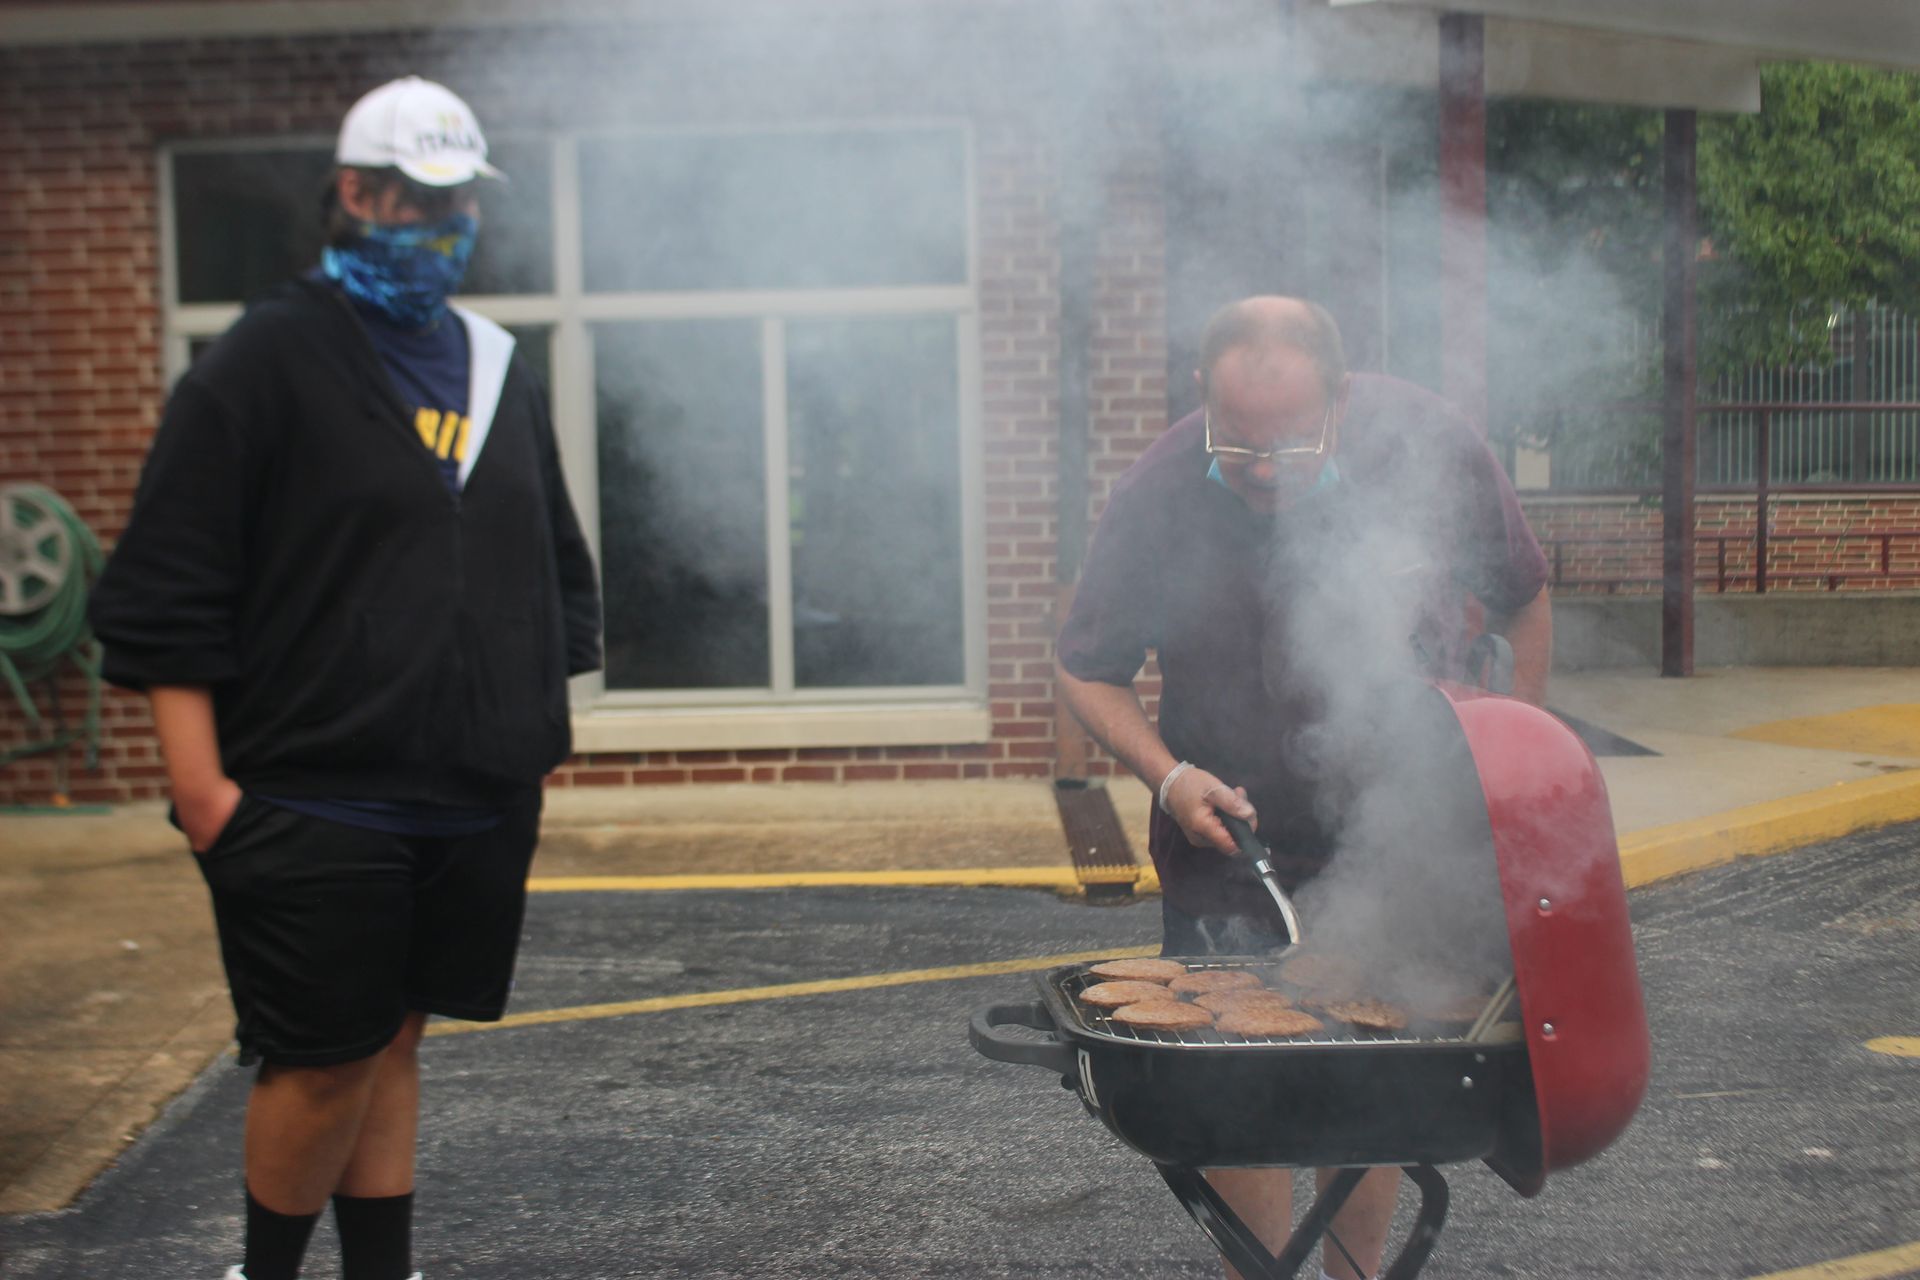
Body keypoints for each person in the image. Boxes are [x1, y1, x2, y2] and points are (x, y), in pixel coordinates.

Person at [88, 76, 602, 1280]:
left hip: (469, 796)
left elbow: (546, 561)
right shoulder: (265, 359)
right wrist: (206, 797)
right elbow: (170, 585)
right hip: (311, 797)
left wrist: (525, 730)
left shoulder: (493, 363)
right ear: (355, 195)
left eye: (459, 200)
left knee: (392, 1043)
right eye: (418, 197)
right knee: (319, 1060)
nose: (443, 223)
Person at [1055, 296, 1551, 1280]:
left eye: (1290, 444)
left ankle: (1354, 1272)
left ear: (1341, 396)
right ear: (1202, 395)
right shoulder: (1158, 488)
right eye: (1239, 444)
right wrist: (1169, 776)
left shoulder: (1427, 447)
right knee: (1241, 1095)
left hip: (1397, 840)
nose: (1264, 469)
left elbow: (1525, 600)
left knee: (1373, 1082)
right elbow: (1087, 667)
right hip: (1225, 847)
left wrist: (1506, 766)